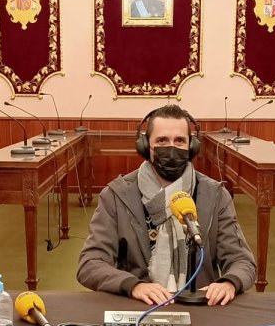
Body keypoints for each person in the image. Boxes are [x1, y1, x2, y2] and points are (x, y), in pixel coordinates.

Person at [78, 103, 255, 306]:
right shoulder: (115, 195)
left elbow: (242, 261)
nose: (171, 148)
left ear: (192, 146)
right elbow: (90, 264)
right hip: (138, 305)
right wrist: (133, 285)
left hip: (201, 307)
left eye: (180, 141)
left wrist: (229, 283)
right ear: (145, 147)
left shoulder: (215, 195)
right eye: (162, 140)